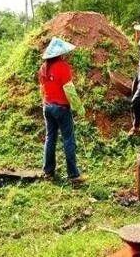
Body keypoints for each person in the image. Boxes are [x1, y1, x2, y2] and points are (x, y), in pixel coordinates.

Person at [38, 37, 85, 184]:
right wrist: (79, 107)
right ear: (59, 54)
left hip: (47, 107)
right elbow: (69, 90)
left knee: (50, 138)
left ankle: (48, 172)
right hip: (61, 108)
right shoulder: (63, 66)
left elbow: (42, 89)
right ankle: (73, 175)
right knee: (68, 140)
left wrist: (45, 103)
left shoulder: (42, 68)